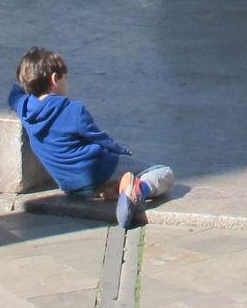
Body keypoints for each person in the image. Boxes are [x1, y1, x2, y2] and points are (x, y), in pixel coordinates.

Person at [10, 46, 174, 230]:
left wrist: (26, 79)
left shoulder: (24, 108)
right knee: (163, 172)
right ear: (54, 79)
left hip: (71, 186)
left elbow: (14, 94)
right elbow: (99, 139)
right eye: (66, 77)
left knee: (115, 176)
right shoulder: (72, 110)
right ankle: (137, 191)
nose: (67, 81)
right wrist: (122, 152)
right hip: (97, 170)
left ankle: (114, 189)